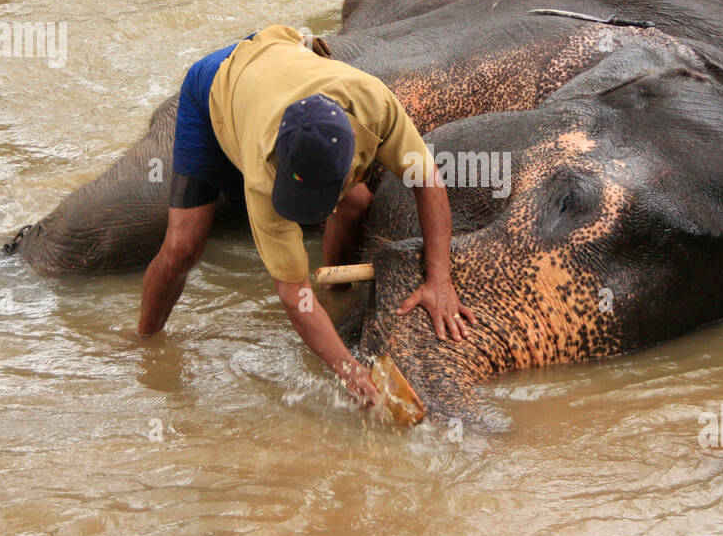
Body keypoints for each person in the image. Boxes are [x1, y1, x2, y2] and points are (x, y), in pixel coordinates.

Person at [137, 25, 474, 407]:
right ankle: (142, 342)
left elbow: (428, 182)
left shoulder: (376, 106)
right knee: (184, 244)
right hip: (216, 85)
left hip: (280, 58)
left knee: (356, 204)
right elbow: (294, 294)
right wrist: (350, 371)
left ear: (352, 163)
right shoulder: (263, 179)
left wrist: (440, 279)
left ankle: (336, 295)